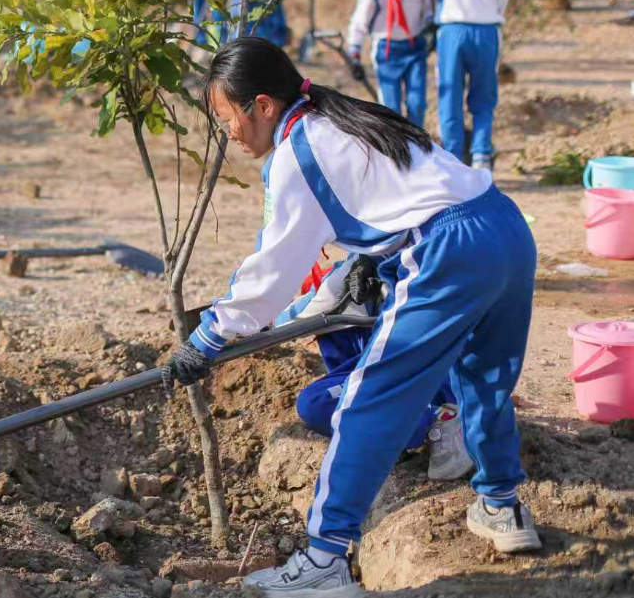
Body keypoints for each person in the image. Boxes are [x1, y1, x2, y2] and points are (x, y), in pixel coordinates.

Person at [160, 37, 540, 595]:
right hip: (504, 226)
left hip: (446, 252)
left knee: (370, 400)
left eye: (226, 118)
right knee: (485, 378)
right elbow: (407, 191)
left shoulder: (296, 154)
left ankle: (323, 560)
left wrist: (210, 336)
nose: (229, 135)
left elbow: (275, 270)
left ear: (262, 105)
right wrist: (367, 256)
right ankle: (502, 505)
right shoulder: (349, 116)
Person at [277, 256, 473, 482]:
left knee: (314, 403)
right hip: (426, 367)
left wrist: (250, 326)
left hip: (428, 368)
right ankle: (402, 431)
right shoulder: (372, 262)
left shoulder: (347, 274)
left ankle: (440, 420)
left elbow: (290, 320)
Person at [406, 0, 511, 170]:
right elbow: (501, 4)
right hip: (488, 34)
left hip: (453, 33)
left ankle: (453, 160)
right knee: (484, 99)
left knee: (449, 97)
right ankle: (481, 157)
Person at [346, 0, 433, 127]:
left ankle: (416, 149)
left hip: (415, 49)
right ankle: (395, 154)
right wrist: (354, 52)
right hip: (387, 52)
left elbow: (427, 6)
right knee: (391, 110)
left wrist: (430, 26)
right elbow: (360, 19)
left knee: (417, 104)